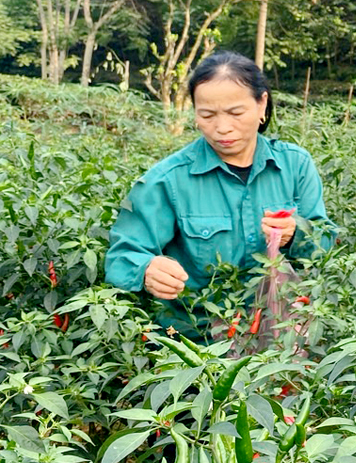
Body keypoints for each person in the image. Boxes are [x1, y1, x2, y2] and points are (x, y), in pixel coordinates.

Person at [105, 51, 333, 339]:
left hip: (280, 337)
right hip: (196, 345)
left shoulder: (294, 166)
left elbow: (324, 245)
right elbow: (121, 256)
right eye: (207, 115)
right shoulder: (169, 179)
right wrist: (147, 269)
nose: (222, 128)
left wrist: (297, 233)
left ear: (262, 103)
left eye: (236, 113)